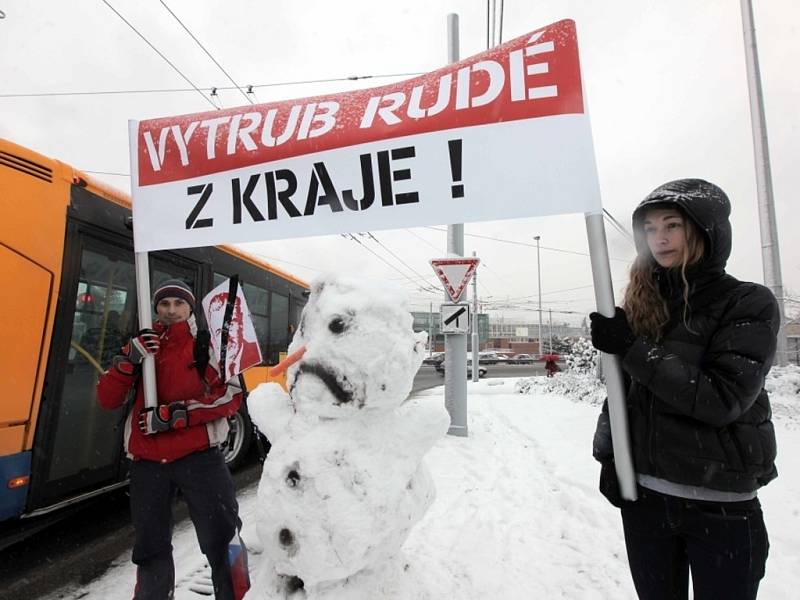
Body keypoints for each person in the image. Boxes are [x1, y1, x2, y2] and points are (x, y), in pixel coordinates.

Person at [589, 179, 779, 600]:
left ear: (704, 230)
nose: (659, 237)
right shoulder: (643, 302)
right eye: (651, 228)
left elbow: (722, 398)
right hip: (647, 501)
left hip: (722, 506)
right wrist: (610, 456)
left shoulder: (747, 302)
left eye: (672, 225)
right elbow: (623, 393)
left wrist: (632, 347)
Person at [97, 279, 250, 600]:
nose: (170, 310)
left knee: (224, 537)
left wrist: (177, 415)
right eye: (164, 304)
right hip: (148, 463)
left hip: (199, 458)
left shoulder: (204, 346)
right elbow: (107, 399)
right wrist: (128, 361)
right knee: (150, 547)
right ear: (155, 309)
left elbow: (231, 397)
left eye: (178, 304)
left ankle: (237, 594)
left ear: (190, 308)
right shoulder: (140, 346)